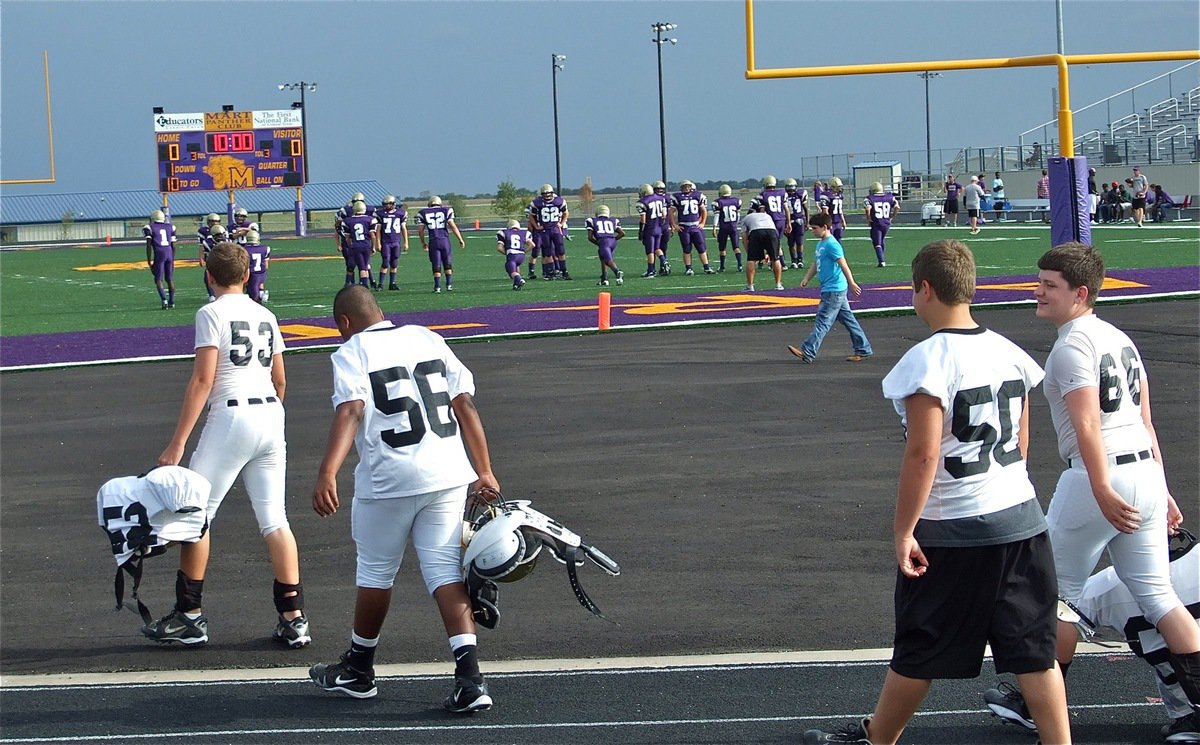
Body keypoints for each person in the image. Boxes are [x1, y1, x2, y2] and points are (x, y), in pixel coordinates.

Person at [802, 240, 1069, 745]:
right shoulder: (1010, 352)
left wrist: (904, 530)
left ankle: (880, 738)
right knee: (1033, 649)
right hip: (1020, 517)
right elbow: (1023, 440)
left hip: (955, 528)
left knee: (919, 646)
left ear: (925, 289)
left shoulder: (927, 360)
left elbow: (924, 454)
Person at [308, 285, 500, 713]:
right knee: (445, 573)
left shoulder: (351, 352)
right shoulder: (426, 337)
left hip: (390, 479)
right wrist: (484, 469)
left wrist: (327, 472)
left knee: (376, 573)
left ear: (344, 322)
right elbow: (464, 404)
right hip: (448, 472)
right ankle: (471, 680)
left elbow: (352, 409)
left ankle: (359, 670)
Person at [1035, 242, 1200, 719]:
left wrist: (1101, 486)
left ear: (1080, 292)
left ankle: (1038, 704)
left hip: (1097, 476)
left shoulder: (1072, 345)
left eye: (1050, 285)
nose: (1038, 292)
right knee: (1158, 596)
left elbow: (1087, 423)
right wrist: (1162, 487)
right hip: (1143, 471)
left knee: (1056, 596)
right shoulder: (1120, 338)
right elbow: (1145, 421)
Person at [147, 241, 309, 649]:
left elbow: (203, 380)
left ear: (208, 274)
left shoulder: (211, 312)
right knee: (275, 520)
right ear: (249, 275)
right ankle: (294, 618)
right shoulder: (266, 315)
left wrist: (177, 442)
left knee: (195, 516)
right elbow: (281, 380)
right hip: (271, 414)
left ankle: (190, 616)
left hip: (232, 414)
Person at [984, 528, 1200, 742]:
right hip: (1190, 695)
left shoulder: (1106, 587)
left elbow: (1065, 617)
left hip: (1183, 703)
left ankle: (1032, 706)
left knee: (1066, 603)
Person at [788, 213, 871, 363]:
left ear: (825, 227)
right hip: (831, 288)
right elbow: (816, 263)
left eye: (814, 228)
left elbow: (843, 264)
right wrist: (807, 277)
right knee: (848, 320)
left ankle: (808, 350)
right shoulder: (821, 243)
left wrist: (852, 282)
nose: (812, 231)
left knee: (823, 321)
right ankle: (863, 348)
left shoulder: (832, 244)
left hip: (834, 289)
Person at [417, 196, 465, 293]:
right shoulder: (446, 210)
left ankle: (437, 286)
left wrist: (423, 242)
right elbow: (453, 226)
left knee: (436, 264)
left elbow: (420, 230)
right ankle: (449, 285)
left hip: (433, 240)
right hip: (444, 240)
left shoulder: (423, 212)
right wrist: (460, 239)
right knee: (447, 263)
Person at [669, 180, 714, 276]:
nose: (686, 188)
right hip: (684, 226)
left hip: (695, 226)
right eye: (684, 186)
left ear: (691, 187)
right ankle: (688, 268)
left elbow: (704, 210)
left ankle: (707, 267)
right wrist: (674, 225)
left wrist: (702, 223)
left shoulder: (697, 196)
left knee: (701, 248)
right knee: (686, 248)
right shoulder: (677, 197)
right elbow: (671, 212)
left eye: (688, 186)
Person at [739, 199, 782, 292]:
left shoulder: (746, 218)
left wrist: (750, 253)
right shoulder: (768, 216)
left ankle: (750, 286)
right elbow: (771, 231)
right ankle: (778, 284)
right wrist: (768, 253)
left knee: (751, 260)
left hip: (756, 232)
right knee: (776, 259)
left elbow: (744, 237)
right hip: (772, 232)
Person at [530, 184, 570, 280]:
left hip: (555, 229)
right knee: (548, 252)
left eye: (549, 193)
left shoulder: (559, 201)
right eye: (545, 194)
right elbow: (532, 216)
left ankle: (564, 271)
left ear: (552, 193)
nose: (547, 196)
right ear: (542, 194)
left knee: (560, 251)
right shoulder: (537, 203)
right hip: (544, 230)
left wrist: (561, 223)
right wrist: (536, 226)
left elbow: (566, 213)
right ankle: (550, 272)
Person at [340, 201, 379, 289]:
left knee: (361, 267)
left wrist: (351, 246)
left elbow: (347, 237)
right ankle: (365, 284)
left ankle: (364, 285)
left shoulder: (348, 221)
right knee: (364, 267)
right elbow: (373, 236)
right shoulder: (370, 219)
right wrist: (373, 246)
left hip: (356, 246)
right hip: (366, 245)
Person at [144, 210, 177, 310]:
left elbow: (148, 245)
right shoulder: (171, 227)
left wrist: (149, 260)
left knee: (158, 279)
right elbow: (174, 245)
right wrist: (173, 258)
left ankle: (164, 300)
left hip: (159, 253)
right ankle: (172, 301)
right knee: (170, 279)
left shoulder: (149, 227)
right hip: (169, 252)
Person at [635, 182, 670, 277]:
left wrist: (641, 231)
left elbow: (643, 218)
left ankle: (651, 270)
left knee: (650, 251)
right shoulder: (661, 198)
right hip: (659, 227)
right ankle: (664, 261)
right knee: (657, 248)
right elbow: (664, 214)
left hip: (649, 228)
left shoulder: (642, 202)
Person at [586, 205, 625, 286]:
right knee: (603, 258)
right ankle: (604, 278)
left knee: (607, 260)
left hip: (603, 241)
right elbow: (622, 233)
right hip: (612, 241)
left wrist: (599, 243)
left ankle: (617, 271)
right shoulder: (614, 220)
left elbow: (590, 237)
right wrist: (614, 239)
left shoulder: (592, 220)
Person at [374, 195, 408, 290]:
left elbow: (403, 229)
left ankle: (392, 283)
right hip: (386, 242)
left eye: (388, 204)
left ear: (393, 204)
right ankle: (380, 284)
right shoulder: (380, 214)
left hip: (396, 241)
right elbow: (378, 230)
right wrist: (378, 243)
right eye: (385, 204)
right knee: (385, 262)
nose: (386, 206)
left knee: (394, 263)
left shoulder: (400, 213)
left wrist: (406, 242)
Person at [863, 181, 900, 268]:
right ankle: (882, 258)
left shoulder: (869, 198)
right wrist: (892, 216)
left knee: (877, 242)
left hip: (876, 223)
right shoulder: (890, 197)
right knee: (881, 239)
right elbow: (897, 207)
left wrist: (868, 218)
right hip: (886, 223)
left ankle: (881, 261)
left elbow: (868, 208)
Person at [712, 184, 744, 274]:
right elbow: (738, 215)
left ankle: (722, 267)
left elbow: (717, 216)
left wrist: (714, 227)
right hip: (733, 227)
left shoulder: (718, 202)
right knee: (736, 247)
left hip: (723, 228)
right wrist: (736, 223)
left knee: (722, 249)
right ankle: (740, 265)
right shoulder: (736, 201)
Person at [495, 218, 531, 290]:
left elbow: (499, 248)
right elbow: (532, 245)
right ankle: (516, 284)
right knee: (515, 267)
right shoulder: (524, 232)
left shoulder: (504, 232)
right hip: (521, 256)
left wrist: (506, 253)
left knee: (510, 269)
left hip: (512, 254)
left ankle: (519, 279)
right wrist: (524, 252)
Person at [197, 214, 223, 301]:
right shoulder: (203, 231)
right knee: (208, 275)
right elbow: (201, 246)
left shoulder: (222, 230)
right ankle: (212, 294)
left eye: (217, 221)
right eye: (213, 221)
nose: (215, 223)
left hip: (223, 256)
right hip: (210, 255)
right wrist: (201, 258)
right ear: (208, 222)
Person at [785, 178, 809, 269]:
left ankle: (800, 260)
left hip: (799, 220)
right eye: (789, 187)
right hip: (789, 221)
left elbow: (806, 209)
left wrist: (807, 222)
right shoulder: (784, 196)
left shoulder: (800, 195)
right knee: (791, 242)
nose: (791, 189)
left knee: (799, 242)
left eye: (792, 187)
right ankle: (793, 260)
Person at [243, 229, 271, 304]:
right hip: (262, 273)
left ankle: (260, 297)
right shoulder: (265, 248)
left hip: (251, 274)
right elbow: (266, 265)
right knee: (257, 287)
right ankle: (261, 294)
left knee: (254, 297)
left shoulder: (244, 249)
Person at [818, 177, 847, 242]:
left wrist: (843, 220)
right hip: (831, 222)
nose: (840, 188)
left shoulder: (839, 196)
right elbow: (825, 211)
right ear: (833, 187)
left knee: (838, 241)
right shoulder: (826, 195)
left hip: (838, 222)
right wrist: (828, 223)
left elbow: (840, 209)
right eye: (838, 187)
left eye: (840, 186)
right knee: (829, 241)